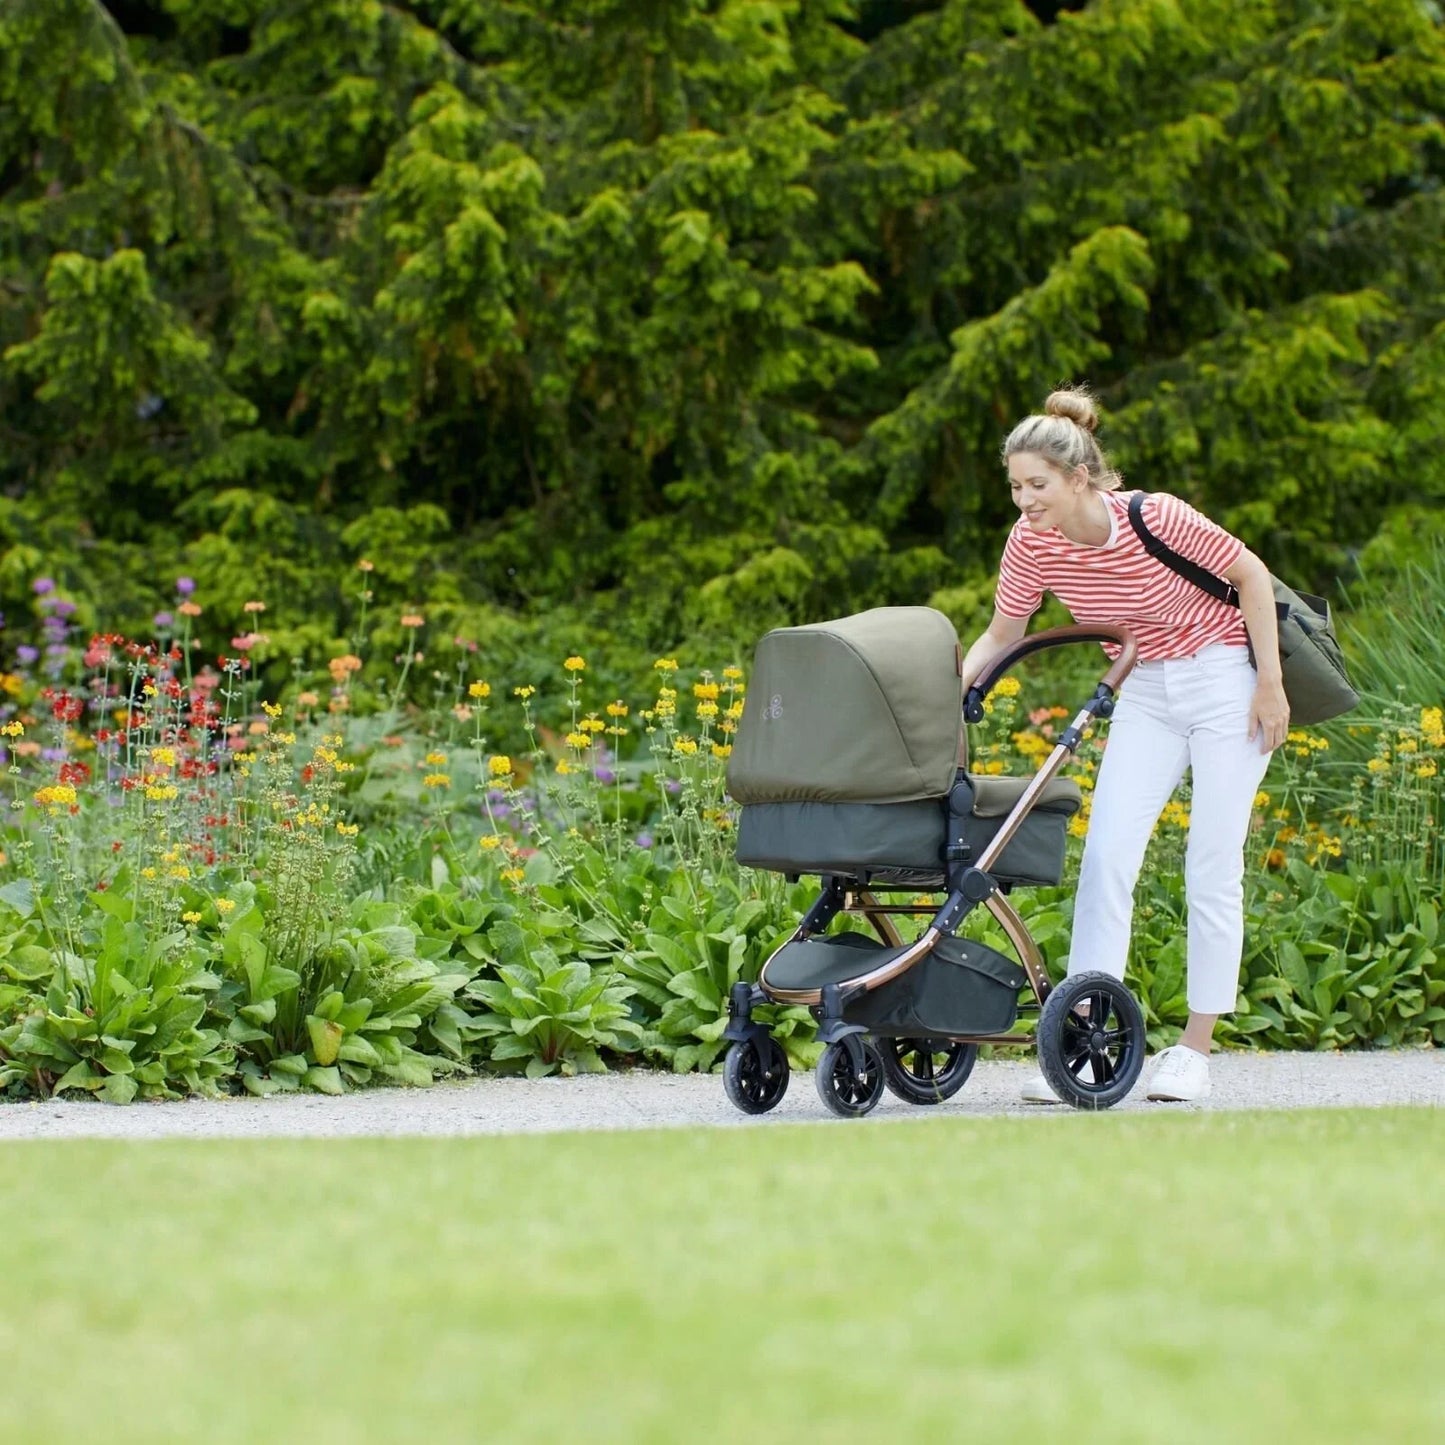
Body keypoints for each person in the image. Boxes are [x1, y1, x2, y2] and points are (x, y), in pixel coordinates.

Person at [959, 387, 1288, 1103]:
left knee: (1209, 858)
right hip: (1144, 691)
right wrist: (949, 688)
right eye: (1014, 486)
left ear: (1077, 478)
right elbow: (1002, 634)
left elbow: (1249, 574)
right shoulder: (1030, 542)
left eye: (1036, 485)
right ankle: (1081, 1041)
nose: (1023, 500)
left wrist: (1269, 682)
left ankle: (1194, 1050)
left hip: (1223, 680)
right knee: (1106, 854)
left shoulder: (1153, 516)